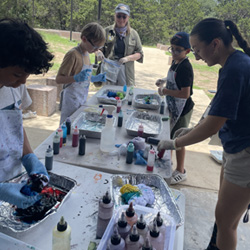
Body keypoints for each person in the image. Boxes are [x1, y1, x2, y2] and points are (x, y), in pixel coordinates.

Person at [157, 18, 250, 250]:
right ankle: (215, 245)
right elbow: (217, 113)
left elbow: (212, 126)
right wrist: (192, 129)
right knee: (224, 213)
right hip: (235, 146)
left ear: (215, 44)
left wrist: (174, 142)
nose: (196, 56)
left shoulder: (235, 69)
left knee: (226, 222)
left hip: (245, 153)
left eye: (197, 49)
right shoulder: (234, 63)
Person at [0, 18, 53, 209]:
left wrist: (30, 157)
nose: (22, 82)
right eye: (16, 75)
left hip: (13, 178)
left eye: (27, 75)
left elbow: (14, 126)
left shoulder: (14, 87)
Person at [155, 32, 194, 185]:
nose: (174, 52)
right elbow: (174, 78)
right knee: (170, 136)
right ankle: (168, 164)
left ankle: (181, 170)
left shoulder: (185, 67)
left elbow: (185, 93)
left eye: (178, 50)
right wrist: (164, 80)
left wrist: (165, 91)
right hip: (172, 106)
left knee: (179, 140)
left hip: (183, 109)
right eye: (172, 48)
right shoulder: (176, 61)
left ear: (187, 51)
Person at [56, 22, 106, 124]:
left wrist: (94, 78)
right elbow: (59, 79)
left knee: (78, 125)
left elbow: (84, 78)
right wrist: (75, 78)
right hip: (71, 100)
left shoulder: (87, 54)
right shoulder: (73, 55)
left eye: (99, 48)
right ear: (84, 39)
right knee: (68, 126)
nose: (97, 50)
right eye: (95, 47)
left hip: (81, 99)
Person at [96, 3, 144, 86]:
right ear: (115, 16)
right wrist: (99, 53)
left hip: (126, 72)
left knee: (124, 94)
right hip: (109, 70)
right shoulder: (107, 31)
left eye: (124, 17)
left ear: (128, 17)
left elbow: (140, 54)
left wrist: (128, 58)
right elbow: (98, 47)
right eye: (118, 16)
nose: (121, 19)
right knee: (108, 94)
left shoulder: (134, 34)